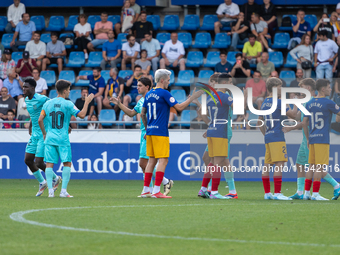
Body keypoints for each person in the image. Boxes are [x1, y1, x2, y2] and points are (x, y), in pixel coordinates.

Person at [140, 69, 203, 198]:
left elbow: (142, 113)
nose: (169, 82)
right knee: (163, 160)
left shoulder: (149, 94)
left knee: (151, 160)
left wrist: (147, 129)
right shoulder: (165, 93)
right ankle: (156, 191)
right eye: (168, 80)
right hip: (160, 132)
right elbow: (179, 108)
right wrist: (192, 99)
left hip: (150, 131)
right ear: (162, 80)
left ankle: (146, 190)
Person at [110, 77, 174, 196]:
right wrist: (119, 104)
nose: (137, 88)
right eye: (137, 85)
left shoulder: (154, 98)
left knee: (146, 162)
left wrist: (149, 130)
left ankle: (161, 183)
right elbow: (130, 113)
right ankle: (150, 189)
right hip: (144, 134)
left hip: (151, 133)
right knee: (143, 163)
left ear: (147, 87)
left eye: (139, 85)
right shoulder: (141, 101)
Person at [38, 80, 94, 198]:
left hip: (50, 138)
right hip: (62, 138)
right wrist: (87, 102)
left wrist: (44, 133)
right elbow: (82, 115)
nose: (69, 92)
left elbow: (40, 120)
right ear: (64, 91)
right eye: (69, 90)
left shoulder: (48, 103)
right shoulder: (68, 103)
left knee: (49, 164)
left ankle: (50, 192)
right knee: (67, 163)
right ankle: (63, 191)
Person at [258, 77, 297, 200]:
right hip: (277, 136)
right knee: (279, 164)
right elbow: (293, 115)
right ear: (275, 88)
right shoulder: (279, 102)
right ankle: (278, 193)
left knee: (267, 165)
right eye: (280, 87)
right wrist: (295, 103)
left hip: (268, 137)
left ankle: (267, 193)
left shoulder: (264, 102)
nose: (282, 89)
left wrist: (266, 134)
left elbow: (259, 122)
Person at [197, 73, 235, 199]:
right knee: (219, 163)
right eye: (229, 82)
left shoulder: (210, 97)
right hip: (221, 131)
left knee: (212, 162)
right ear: (224, 83)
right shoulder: (225, 96)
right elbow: (238, 108)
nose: (231, 84)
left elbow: (203, 114)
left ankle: (204, 189)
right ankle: (215, 192)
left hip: (212, 130)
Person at [22, 78, 61, 196]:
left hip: (44, 134)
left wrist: (61, 122)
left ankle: (55, 178)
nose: (24, 89)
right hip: (34, 134)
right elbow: (33, 115)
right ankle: (42, 182)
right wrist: (30, 126)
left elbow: (54, 106)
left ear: (33, 88)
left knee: (39, 162)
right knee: (28, 160)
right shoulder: (26, 100)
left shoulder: (42, 98)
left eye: (26, 87)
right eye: (23, 87)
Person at [302, 79, 340, 200]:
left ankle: (306, 193)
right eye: (329, 87)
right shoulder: (328, 102)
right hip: (323, 138)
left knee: (311, 166)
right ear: (323, 89)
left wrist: (307, 138)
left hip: (312, 138)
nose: (330, 89)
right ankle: (316, 194)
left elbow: (305, 122)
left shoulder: (309, 103)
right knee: (319, 167)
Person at [283, 78, 315, 199]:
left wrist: (291, 128)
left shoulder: (311, 101)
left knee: (315, 167)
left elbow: (304, 122)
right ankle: (300, 192)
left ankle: (336, 186)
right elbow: (297, 117)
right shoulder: (305, 101)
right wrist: (296, 104)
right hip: (305, 138)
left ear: (308, 88)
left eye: (301, 88)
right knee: (299, 164)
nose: (300, 92)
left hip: (310, 137)